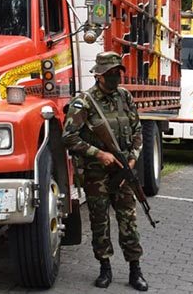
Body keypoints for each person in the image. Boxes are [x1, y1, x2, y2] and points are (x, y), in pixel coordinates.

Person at [62, 52, 148, 291]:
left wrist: (132, 159)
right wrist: (99, 154)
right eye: (110, 73)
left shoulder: (125, 97)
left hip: (123, 172)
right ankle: (105, 268)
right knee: (100, 221)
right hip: (96, 174)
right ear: (98, 75)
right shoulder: (85, 102)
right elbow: (68, 137)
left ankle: (135, 270)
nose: (115, 77)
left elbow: (137, 130)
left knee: (128, 219)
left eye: (117, 72)